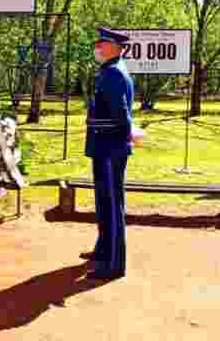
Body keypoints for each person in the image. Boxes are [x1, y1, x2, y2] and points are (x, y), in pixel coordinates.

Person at [81, 27, 135, 280]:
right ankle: (103, 249)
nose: (97, 48)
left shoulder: (113, 73)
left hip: (110, 148)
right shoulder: (109, 70)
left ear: (114, 47)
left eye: (101, 43)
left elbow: (121, 114)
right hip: (104, 147)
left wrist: (127, 137)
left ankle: (114, 263)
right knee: (104, 201)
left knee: (112, 205)